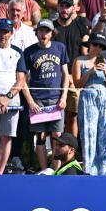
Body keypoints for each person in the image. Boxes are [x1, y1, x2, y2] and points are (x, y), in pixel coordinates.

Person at [22, 18, 69, 171]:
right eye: (41, 30)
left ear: (52, 33)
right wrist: (30, 102)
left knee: (57, 136)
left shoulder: (60, 48)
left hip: (56, 99)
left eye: (47, 31)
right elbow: (23, 80)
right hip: (38, 100)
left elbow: (66, 75)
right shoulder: (29, 51)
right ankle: (44, 171)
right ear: (37, 32)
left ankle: (56, 171)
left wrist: (64, 97)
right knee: (40, 137)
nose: (44, 33)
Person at [72, 32, 106, 175]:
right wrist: (90, 72)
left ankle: (105, 171)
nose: (97, 48)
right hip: (88, 96)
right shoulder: (79, 60)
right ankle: (89, 170)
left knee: (105, 133)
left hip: (104, 97)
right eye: (95, 44)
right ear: (89, 45)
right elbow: (77, 84)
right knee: (88, 133)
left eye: (101, 46)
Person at [0, 18, 26, 175]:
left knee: (6, 137)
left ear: (11, 33)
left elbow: (20, 80)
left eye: (6, 32)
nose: (3, 34)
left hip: (11, 100)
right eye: (1, 31)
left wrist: (6, 97)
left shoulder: (18, 52)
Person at [53, 0, 90, 137]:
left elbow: (85, 53)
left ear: (73, 8)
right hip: (55, 78)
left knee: (72, 116)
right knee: (56, 116)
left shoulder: (80, 27)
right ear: (57, 7)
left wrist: (76, 75)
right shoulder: (52, 28)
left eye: (67, 6)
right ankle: (56, 151)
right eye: (61, 6)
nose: (64, 9)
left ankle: (71, 151)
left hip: (75, 77)